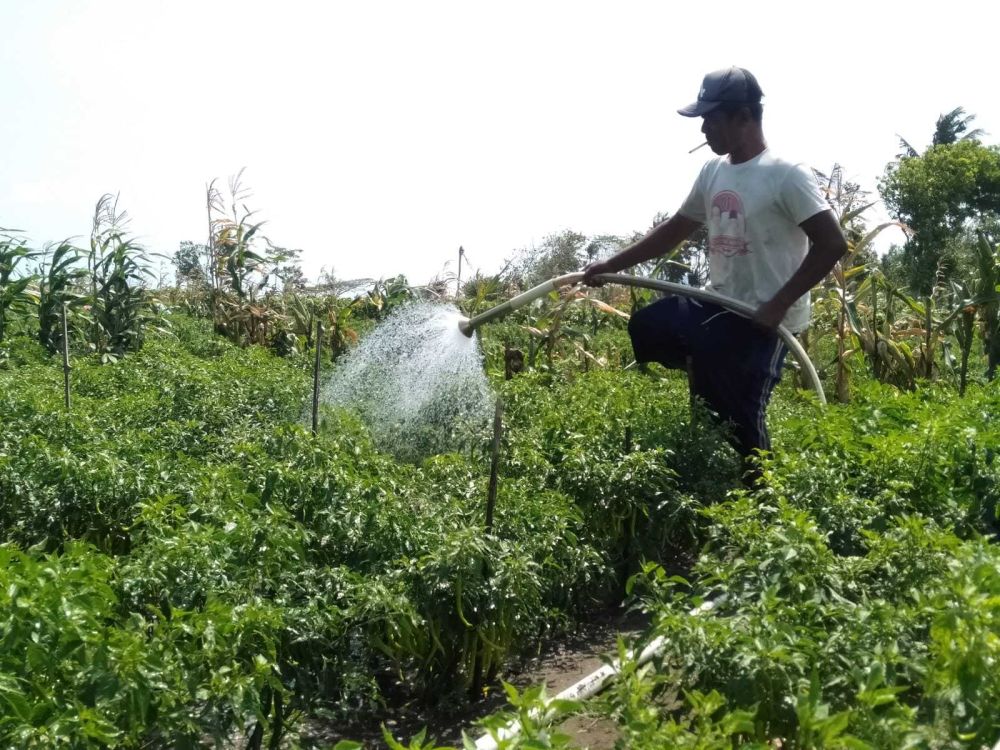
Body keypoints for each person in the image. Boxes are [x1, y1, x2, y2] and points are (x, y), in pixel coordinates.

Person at [582, 66, 847, 483]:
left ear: (743, 116)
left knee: (742, 416)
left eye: (712, 118)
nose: (704, 128)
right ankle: (705, 369)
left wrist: (777, 305)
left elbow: (832, 244)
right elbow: (675, 229)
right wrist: (611, 266)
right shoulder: (713, 171)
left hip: (767, 319)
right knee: (649, 326)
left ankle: (761, 497)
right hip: (719, 302)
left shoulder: (787, 174)